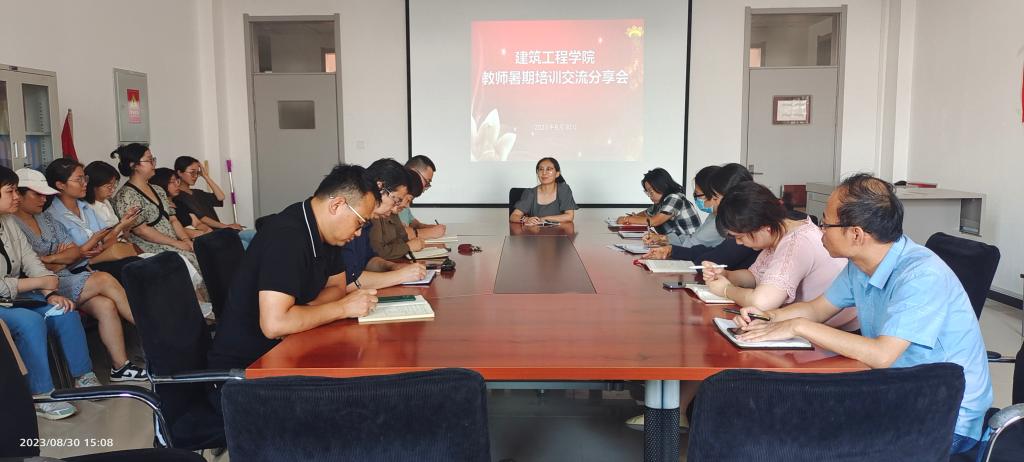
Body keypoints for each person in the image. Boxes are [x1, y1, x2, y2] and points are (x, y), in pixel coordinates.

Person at [731, 174, 992, 454]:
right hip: (893, 391)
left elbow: (881, 355)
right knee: (786, 415)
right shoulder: (860, 265)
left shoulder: (921, 275)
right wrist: (768, 317)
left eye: (825, 223)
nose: (820, 231)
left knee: (804, 436)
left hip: (943, 418)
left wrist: (797, 326)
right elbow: (817, 309)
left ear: (856, 234)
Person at [207, 163, 380, 372]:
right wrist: (342, 309)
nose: (359, 233)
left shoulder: (328, 233)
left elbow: (337, 287)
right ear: (337, 205)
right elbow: (275, 325)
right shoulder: (287, 237)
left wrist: (302, 315)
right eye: (360, 222)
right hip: (250, 368)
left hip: (287, 349)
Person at [13, 168, 146, 383]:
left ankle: (120, 367)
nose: (43, 199)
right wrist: (58, 257)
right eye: (37, 194)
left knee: (105, 305)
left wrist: (51, 258)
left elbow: (75, 252)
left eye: (44, 194)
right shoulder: (13, 224)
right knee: (104, 279)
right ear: (18, 195)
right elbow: (28, 265)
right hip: (40, 286)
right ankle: (155, 334)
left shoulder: (46, 218)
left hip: (63, 276)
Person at [0, 166, 100, 420]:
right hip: (4, 302)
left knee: (64, 310)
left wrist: (48, 292)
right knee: (30, 322)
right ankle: (41, 395)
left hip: (16, 296)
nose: (16, 197)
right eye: (10, 191)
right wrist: (39, 282)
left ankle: (83, 377)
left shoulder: (8, 222)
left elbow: (30, 260)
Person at [701, 181, 852, 330]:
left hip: (838, 330)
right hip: (809, 323)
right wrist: (726, 275)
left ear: (764, 227)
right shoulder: (780, 232)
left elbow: (762, 303)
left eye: (740, 237)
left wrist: (726, 290)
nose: (738, 243)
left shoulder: (796, 243)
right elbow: (755, 276)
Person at [641, 164, 760, 270]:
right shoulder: (726, 219)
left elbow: (716, 257)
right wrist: (671, 250)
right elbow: (714, 251)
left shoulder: (745, 227)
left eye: (714, 198)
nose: (709, 203)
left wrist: (672, 249)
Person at [44, 158, 142, 285]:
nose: (85, 183)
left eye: (85, 178)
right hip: (79, 270)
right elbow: (65, 259)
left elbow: (107, 239)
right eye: (79, 180)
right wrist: (90, 246)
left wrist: (122, 225)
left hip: (103, 260)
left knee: (144, 264)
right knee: (137, 270)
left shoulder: (86, 208)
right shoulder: (52, 217)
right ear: (60, 185)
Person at [109, 144, 199, 269]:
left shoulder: (158, 190)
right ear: (134, 165)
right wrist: (175, 243)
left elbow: (172, 219)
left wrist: (185, 240)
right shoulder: (126, 195)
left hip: (173, 242)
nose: (154, 164)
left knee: (202, 253)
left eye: (153, 159)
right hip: (150, 247)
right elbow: (141, 230)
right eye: (149, 160)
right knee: (189, 261)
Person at [342, 159, 427, 290]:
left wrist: (393, 267)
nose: (395, 208)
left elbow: (369, 259)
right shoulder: (347, 218)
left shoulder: (366, 220)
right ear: (380, 187)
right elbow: (348, 281)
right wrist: (400, 276)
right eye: (396, 201)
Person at [644, 165, 723, 249]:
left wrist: (665, 244)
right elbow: (693, 237)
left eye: (697, 194)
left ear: (714, 195)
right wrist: (662, 238)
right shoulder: (713, 215)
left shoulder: (720, 221)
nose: (696, 199)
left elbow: (692, 244)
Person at [616, 168, 700, 237]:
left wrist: (627, 219)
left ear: (662, 186)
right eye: (647, 192)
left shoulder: (675, 198)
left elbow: (654, 221)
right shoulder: (660, 204)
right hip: (676, 245)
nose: (649, 195)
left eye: (651, 191)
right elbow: (644, 214)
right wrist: (634, 217)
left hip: (689, 247)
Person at [509, 157, 578, 225]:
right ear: (537, 173)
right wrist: (526, 219)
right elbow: (513, 216)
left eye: (549, 169)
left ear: (557, 174)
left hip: (560, 231)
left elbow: (569, 216)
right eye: (541, 169)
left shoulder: (563, 189)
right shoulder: (530, 193)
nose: (544, 173)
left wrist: (544, 219)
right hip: (535, 231)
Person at [150, 168, 212, 239]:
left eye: (177, 181)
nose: (177, 185)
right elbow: (171, 229)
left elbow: (197, 223)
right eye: (172, 182)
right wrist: (199, 234)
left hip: (198, 236)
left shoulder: (179, 202)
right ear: (160, 184)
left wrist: (207, 231)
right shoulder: (158, 207)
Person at [401, 155, 446, 239]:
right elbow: (397, 233)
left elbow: (413, 224)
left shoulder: (407, 197)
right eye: (427, 181)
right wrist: (430, 232)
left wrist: (431, 228)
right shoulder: (394, 196)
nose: (426, 188)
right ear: (413, 173)